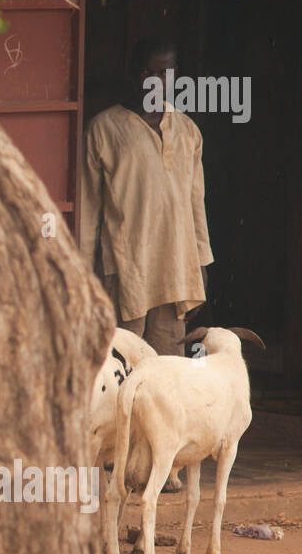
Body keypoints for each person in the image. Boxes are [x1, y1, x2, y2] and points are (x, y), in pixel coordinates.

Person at [79, 36, 213, 356]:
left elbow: (196, 206)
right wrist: (83, 277)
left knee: (167, 377)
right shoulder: (104, 129)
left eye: (164, 72)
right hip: (125, 274)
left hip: (174, 271)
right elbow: (87, 213)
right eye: (146, 72)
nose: (153, 80)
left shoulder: (187, 131)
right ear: (133, 73)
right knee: (122, 370)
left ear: (175, 74)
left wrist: (201, 267)